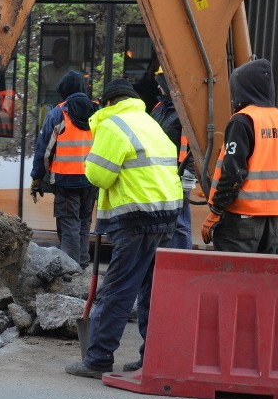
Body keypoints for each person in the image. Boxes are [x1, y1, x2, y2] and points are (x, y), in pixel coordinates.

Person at [65, 78, 181, 379]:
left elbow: (99, 176)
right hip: (168, 215)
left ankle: (99, 358)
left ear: (106, 103)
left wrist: (91, 161)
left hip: (137, 218)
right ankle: (151, 358)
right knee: (151, 290)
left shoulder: (112, 125)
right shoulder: (149, 122)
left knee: (118, 289)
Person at [201, 59, 278, 254]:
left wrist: (215, 213)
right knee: (261, 280)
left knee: (234, 279)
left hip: (240, 219)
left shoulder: (243, 120)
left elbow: (233, 174)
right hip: (273, 220)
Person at [30, 70, 98, 269]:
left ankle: (71, 271)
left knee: (69, 225)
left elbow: (44, 150)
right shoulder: (97, 112)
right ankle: (83, 266)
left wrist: (37, 178)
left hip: (66, 180)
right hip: (91, 180)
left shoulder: (59, 113)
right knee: (84, 223)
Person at [150, 67, 196, 250]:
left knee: (180, 224)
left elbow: (193, 145)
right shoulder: (159, 108)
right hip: (157, 173)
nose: (158, 88)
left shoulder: (185, 110)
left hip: (177, 174)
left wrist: (189, 174)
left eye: (160, 83)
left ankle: (182, 260)